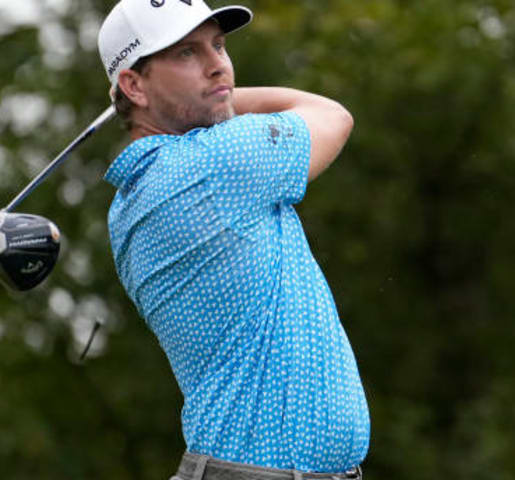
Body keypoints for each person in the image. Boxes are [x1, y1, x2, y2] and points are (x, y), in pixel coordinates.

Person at [97, 1, 369, 478]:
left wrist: (211, 94)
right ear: (134, 85)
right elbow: (331, 115)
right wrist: (225, 95)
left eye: (218, 45)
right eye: (186, 53)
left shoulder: (133, 198)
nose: (218, 64)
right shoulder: (212, 165)